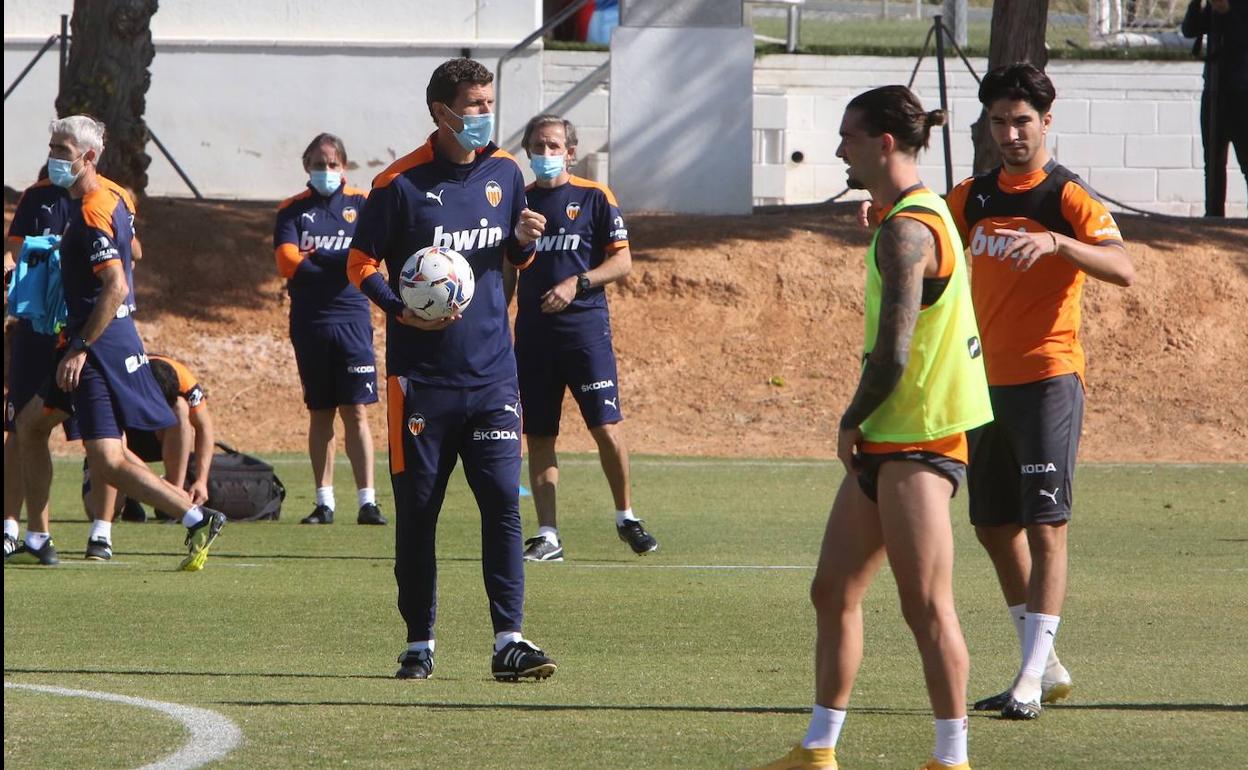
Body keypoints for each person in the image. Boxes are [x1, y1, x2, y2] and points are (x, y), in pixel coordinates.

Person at [751, 86, 991, 770]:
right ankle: (820, 749)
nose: (838, 149)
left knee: (927, 608)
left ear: (884, 143)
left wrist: (849, 420)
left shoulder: (908, 231)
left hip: (918, 438)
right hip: (894, 437)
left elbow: (893, 352)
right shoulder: (910, 215)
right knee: (832, 590)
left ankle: (952, 758)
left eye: (849, 137)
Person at [346, 58, 557, 681]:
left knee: (502, 507)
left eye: (488, 103)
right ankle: (419, 641)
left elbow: (508, 261)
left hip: (493, 376)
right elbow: (359, 264)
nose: (483, 115)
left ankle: (509, 642)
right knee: (418, 513)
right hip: (420, 384)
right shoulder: (397, 184)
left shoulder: (505, 171)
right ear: (441, 111)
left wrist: (523, 239)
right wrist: (400, 312)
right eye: (472, 105)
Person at [945, 63, 1135, 720]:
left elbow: (1123, 266)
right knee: (995, 527)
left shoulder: (1066, 197)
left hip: (1049, 378)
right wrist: (882, 214)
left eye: (1022, 120)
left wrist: (1058, 243)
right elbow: (928, 236)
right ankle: (1045, 665)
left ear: (1046, 122)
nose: (1011, 133)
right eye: (999, 121)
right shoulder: (970, 197)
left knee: (1045, 525)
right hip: (982, 383)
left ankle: (1029, 675)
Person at [5, 115, 226, 571]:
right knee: (30, 426)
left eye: (61, 150)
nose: (52, 157)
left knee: (106, 458)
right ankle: (38, 536)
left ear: (88, 157)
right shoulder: (109, 198)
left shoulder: (90, 211)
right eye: (51, 146)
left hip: (98, 347)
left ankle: (195, 516)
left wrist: (81, 347)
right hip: (90, 340)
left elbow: (117, 286)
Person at [505, 114, 656, 563]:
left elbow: (622, 262)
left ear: (570, 152)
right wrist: (495, 317)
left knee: (605, 427)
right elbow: (510, 268)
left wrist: (577, 284)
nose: (545, 154)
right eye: (537, 146)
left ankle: (626, 516)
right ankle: (548, 534)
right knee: (539, 435)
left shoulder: (594, 197)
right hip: (533, 337)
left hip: (585, 333)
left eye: (553, 146)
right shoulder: (520, 203)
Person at [274, 133, 386, 526]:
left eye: (332, 163)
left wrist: (320, 256)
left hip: (353, 320)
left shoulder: (362, 204)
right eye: (319, 164)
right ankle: (324, 502)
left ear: (345, 166)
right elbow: (289, 262)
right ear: (307, 166)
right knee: (320, 411)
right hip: (310, 323)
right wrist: (340, 261)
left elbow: (369, 255)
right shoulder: (292, 210)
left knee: (356, 410)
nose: (326, 170)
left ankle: (367, 501)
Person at [80, 353, 215, 560]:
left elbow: (205, 427)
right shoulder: (118, 380)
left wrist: (201, 481)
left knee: (181, 409)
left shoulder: (185, 381)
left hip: (156, 440)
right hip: (120, 443)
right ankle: (152, 494)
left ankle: (171, 495)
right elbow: (117, 451)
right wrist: (156, 486)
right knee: (99, 509)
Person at [4, 165, 72, 558]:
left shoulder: (107, 199)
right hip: (34, 330)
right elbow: (13, 256)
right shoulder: (36, 197)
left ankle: (102, 531)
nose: (56, 159)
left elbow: (131, 252)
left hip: (80, 334)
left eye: (63, 150)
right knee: (18, 427)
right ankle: (15, 527)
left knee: (104, 441)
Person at [1181, 0, 1248, 217]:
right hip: (1213, 91)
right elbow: (1189, 30)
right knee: (1213, 163)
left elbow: (1240, 34)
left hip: (1242, 92)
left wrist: (1227, 11)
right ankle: (1213, 218)